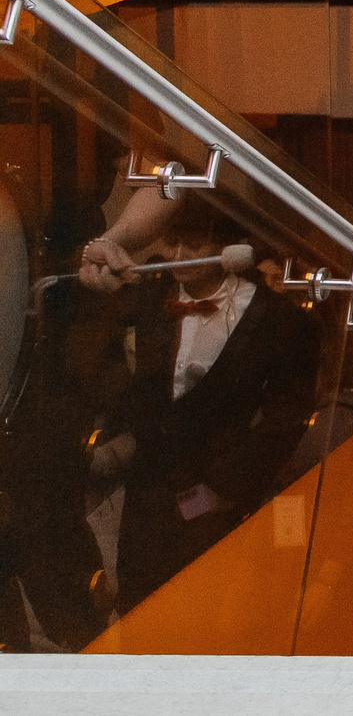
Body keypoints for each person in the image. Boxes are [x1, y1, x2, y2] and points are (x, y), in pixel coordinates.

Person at [87, 205, 321, 612]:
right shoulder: (148, 298)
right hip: (145, 505)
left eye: (192, 242)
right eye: (170, 242)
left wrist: (224, 490)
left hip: (217, 506)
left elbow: (287, 419)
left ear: (226, 244)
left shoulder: (277, 319)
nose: (178, 256)